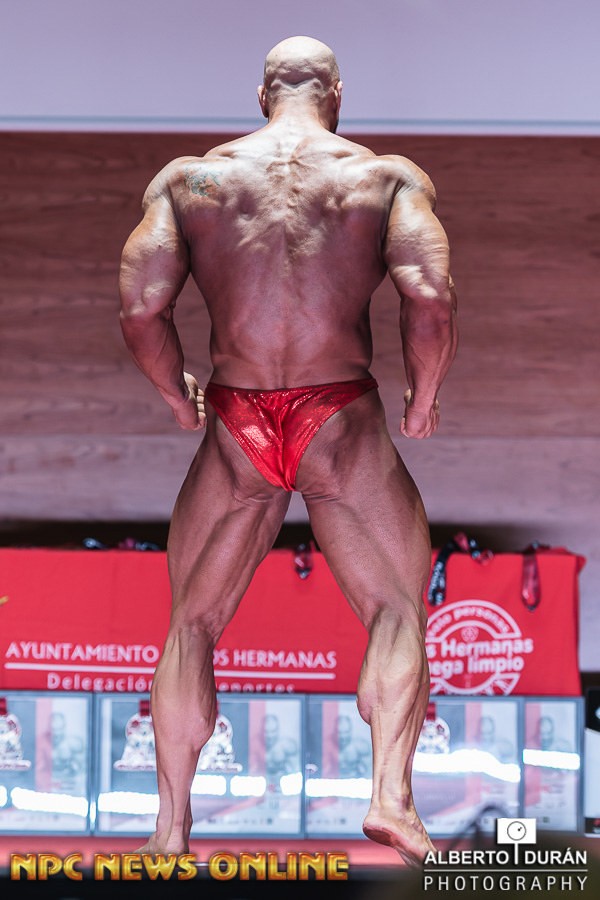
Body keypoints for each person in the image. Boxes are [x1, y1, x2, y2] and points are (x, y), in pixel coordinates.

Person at [119, 35, 457, 866]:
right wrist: (424, 397)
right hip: (338, 413)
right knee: (396, 608)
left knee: (191, 623)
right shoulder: (383, 178)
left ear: (261, 94)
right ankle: (389, 798)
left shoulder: (190, 181)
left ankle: (170, 829)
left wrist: (176, 395)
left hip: (236, 414)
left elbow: (140, 308)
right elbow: (429, 295)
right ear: (337, 93)